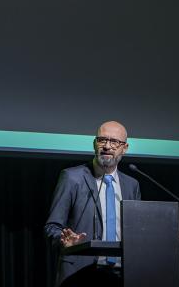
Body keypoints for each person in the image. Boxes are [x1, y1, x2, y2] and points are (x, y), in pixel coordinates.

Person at [44, 120, 140, 287]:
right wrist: (64, 239)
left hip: (124, 274)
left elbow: (137, 230)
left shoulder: (132, 184)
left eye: (115, 142)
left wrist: (161, 237)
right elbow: (52, 226)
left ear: (125, 148)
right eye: (102, 140)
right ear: (95, 144)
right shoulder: (72, 178)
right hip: (82, 272)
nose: (107, 146)